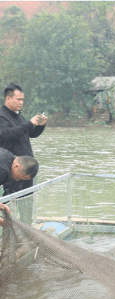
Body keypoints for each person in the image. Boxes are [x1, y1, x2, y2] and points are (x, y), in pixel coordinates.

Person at [0, 83, 47, 223]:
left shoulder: (19, 116)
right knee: (9, 203)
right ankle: (7, 230)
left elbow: (30, 133)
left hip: (26, 167)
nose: (21, 102)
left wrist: (40, 125)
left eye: (22, 100)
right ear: (8, 99)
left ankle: (27, 229)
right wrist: (28, 123)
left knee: (26, 202)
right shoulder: (2, 116)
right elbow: (7, 134)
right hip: (12, 169)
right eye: (18, 99)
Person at [0, 147, 39, 225]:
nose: (18, 180)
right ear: (17, 166)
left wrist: (1, 206)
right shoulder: (3, 171)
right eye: (19, 177)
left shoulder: (7, 156)